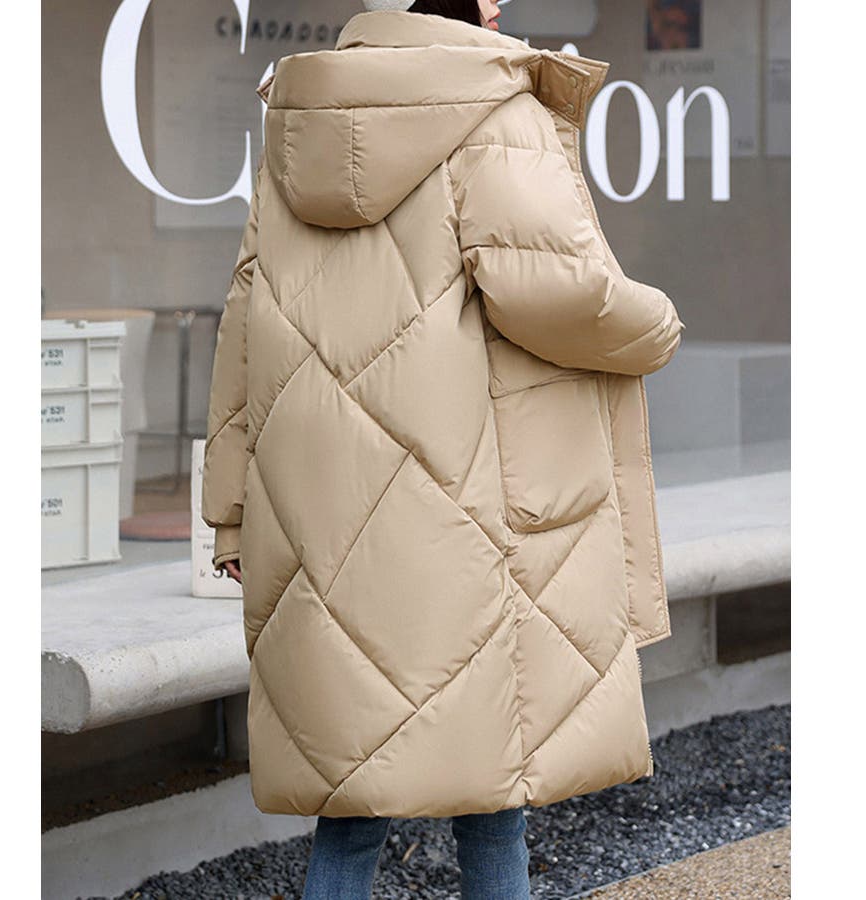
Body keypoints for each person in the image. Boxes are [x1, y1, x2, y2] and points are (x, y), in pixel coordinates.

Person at [201, 0, 685, 896]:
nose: (501, 12)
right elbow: (555, 293)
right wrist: (655, 324)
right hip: (464, 508)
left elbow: (243, 322)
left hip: (320, 519)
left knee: (353, 793)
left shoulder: (298, 120)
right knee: (495, 789)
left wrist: (230, 512)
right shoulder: (497, 113)